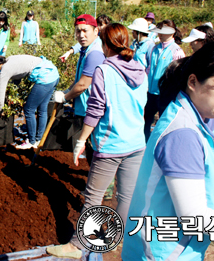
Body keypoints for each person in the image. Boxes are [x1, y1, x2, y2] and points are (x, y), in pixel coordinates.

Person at [122, 42, 214, 260]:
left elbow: (210, 173)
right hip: (162, 254)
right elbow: (194, 218)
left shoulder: (202, 118)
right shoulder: (183, 134)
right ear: (193, 82)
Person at [46, 23, 148, 259]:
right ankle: (115, 238)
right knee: (126, 196)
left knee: (93, 196)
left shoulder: (104, 70)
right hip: (136, 142)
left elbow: (95, 110)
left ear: (104, 45)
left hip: (111, 144)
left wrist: (82, 140)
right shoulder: (140, 68)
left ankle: (77, 246)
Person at [53, 14, 105, 157]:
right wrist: (68, 90)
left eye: (85, 30)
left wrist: (65, 97)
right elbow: (80, 79)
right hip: (86, 107)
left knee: (97, 149)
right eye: (78, 31)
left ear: (95, 31)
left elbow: (83, 85)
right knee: (91, 148)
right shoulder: (86, 49)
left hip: (93, 109)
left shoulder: (94, 53)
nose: (81, 35)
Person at [0, 55, 60, 149]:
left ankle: (31, 142)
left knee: (29, 109)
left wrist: (0, 109)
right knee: (42, 108)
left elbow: (1, 91)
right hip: (53, 74)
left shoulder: (5, 69)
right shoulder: (10, 59)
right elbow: (18, 76)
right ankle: (39, 140)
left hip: (45, 78)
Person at [144, 19, 185, 140]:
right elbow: (149, 68)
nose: (159, 35)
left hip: (165, 94)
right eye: (158, 32)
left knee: (163, 122)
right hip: (151, 92)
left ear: (172, 33)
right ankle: (146, 144)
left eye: (162, 32)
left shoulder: (177, 51)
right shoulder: (154, 49)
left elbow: (178, 76)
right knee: (147, 121)